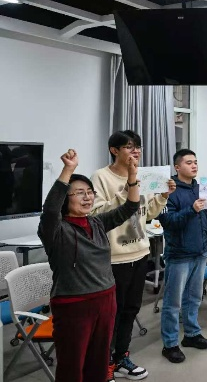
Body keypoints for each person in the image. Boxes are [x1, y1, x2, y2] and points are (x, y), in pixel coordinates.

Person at [39, 149, 139, 382]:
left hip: (106, 300)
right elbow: (50, 210)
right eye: (79, 193)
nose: (87, 198)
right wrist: (68, 170)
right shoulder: (56, 230)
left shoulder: (96, 222)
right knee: (72, 365)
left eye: (90, 192)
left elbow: (130, 207)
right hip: (74, 305)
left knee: (99, 361)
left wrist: (132, 176)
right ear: (66, 198)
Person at [91, 130, 175, 381]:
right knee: (111, 314)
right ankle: (103, 363)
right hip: (114, 257)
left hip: (140, 252)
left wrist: (163, 196)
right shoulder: (101, 177)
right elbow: (96, 214)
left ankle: (121, 358)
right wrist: (129, 186)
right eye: (129, 146)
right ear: (114, 150)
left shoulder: (142, 175)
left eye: (138, 146)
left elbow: (148, 213)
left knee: (130, 310)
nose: (136, 151)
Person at [158, 149, 207, 363]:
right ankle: (170, 344)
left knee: (194, 298)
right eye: (188, 162)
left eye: (195, 162)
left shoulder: (201, 187)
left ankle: (192, 334)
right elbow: (168, 222)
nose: (194, 165)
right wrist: (191, 210)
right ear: (177, 167)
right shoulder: (169, 190)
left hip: (200, 252)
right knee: (173, 303)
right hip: (179, 254)